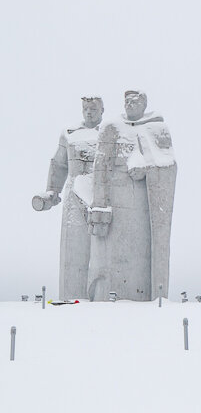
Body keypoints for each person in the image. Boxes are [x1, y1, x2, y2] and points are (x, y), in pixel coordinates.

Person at [88, 90, 177, 301]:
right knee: (111, 255)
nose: (130, 104)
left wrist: (147, 169)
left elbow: (168, 164)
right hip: (115, 202)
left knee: (139, 255)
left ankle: (142, 295)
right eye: (126, 100)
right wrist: (100, 202)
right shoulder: (111, 128)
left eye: (135, 100)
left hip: (142, 205)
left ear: (144, 104)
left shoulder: (158, 129)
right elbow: (100, 166)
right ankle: (109, 295)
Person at [32, 96, 104, 300]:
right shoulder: (70, 134)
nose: (89, 112)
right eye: (86, 108)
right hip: (74, 194)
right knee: (73, 249)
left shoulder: (108, 132)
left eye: (93, 108)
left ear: (102, 110)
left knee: (101, 250)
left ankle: (101, 297)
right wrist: (52, 191)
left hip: (99, 194)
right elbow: (59, 164)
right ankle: (72, 297)